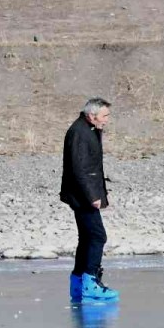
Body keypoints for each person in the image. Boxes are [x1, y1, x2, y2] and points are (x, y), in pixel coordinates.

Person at [60, 98, 119, 303]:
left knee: (86, 238)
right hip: (82, 195)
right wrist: (92, 196)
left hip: (82, 194)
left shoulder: (88, 129)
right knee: (97, 237)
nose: (107, 120)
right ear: (92, 115)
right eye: (105, 116)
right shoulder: (80, 133)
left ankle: (78, 282)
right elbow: (79, 169)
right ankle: (90, 283)